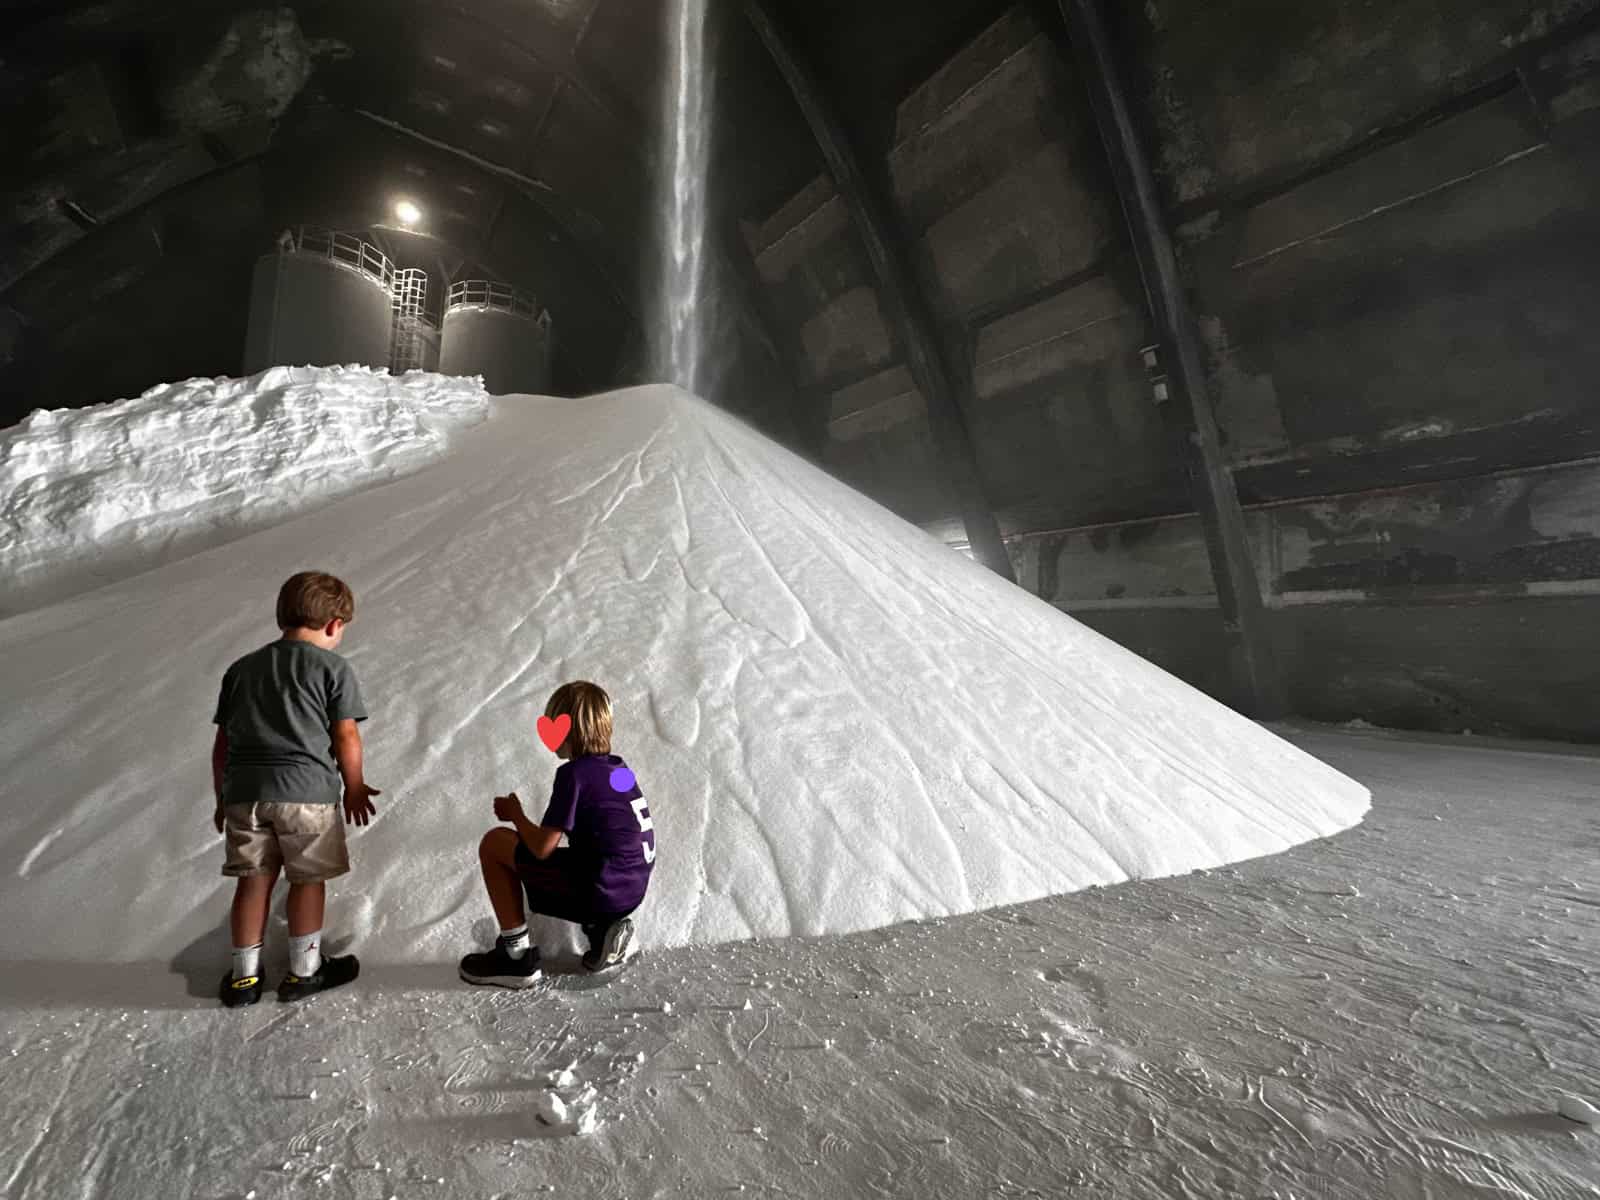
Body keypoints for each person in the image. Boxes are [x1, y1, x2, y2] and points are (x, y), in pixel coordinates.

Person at [211, 570, 381, 1006]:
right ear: (333, 625)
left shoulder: (241, 670)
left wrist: (222, 797)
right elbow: (345, 735)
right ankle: (304, 971)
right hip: (307, 796)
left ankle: (243, 978)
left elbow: (223, 743)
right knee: (308, 881)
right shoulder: (332, 668)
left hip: (245, 795)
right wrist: (355, 786)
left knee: (252, 882)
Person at [460, 681, 655, 987]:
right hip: (632, 889)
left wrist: (516, 815)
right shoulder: (619, 770)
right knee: (591, 856)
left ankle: (515, 958)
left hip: (599, 889)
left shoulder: (574, 774)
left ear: (571, 730)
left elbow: (542, 849)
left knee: (495, 843)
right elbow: (620, 832)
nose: (548, 731)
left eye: (554, 723)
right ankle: (603, 932)